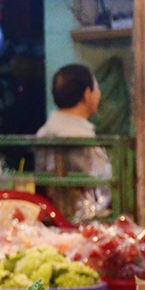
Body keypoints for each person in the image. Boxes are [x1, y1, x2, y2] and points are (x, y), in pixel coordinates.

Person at [34, 63, 112, 222]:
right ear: (87, 94)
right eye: (96, 88)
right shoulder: (78, 136)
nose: (99, 94)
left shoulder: (44, 131)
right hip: (79, 220)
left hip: (51, 217)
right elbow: (99, 188)